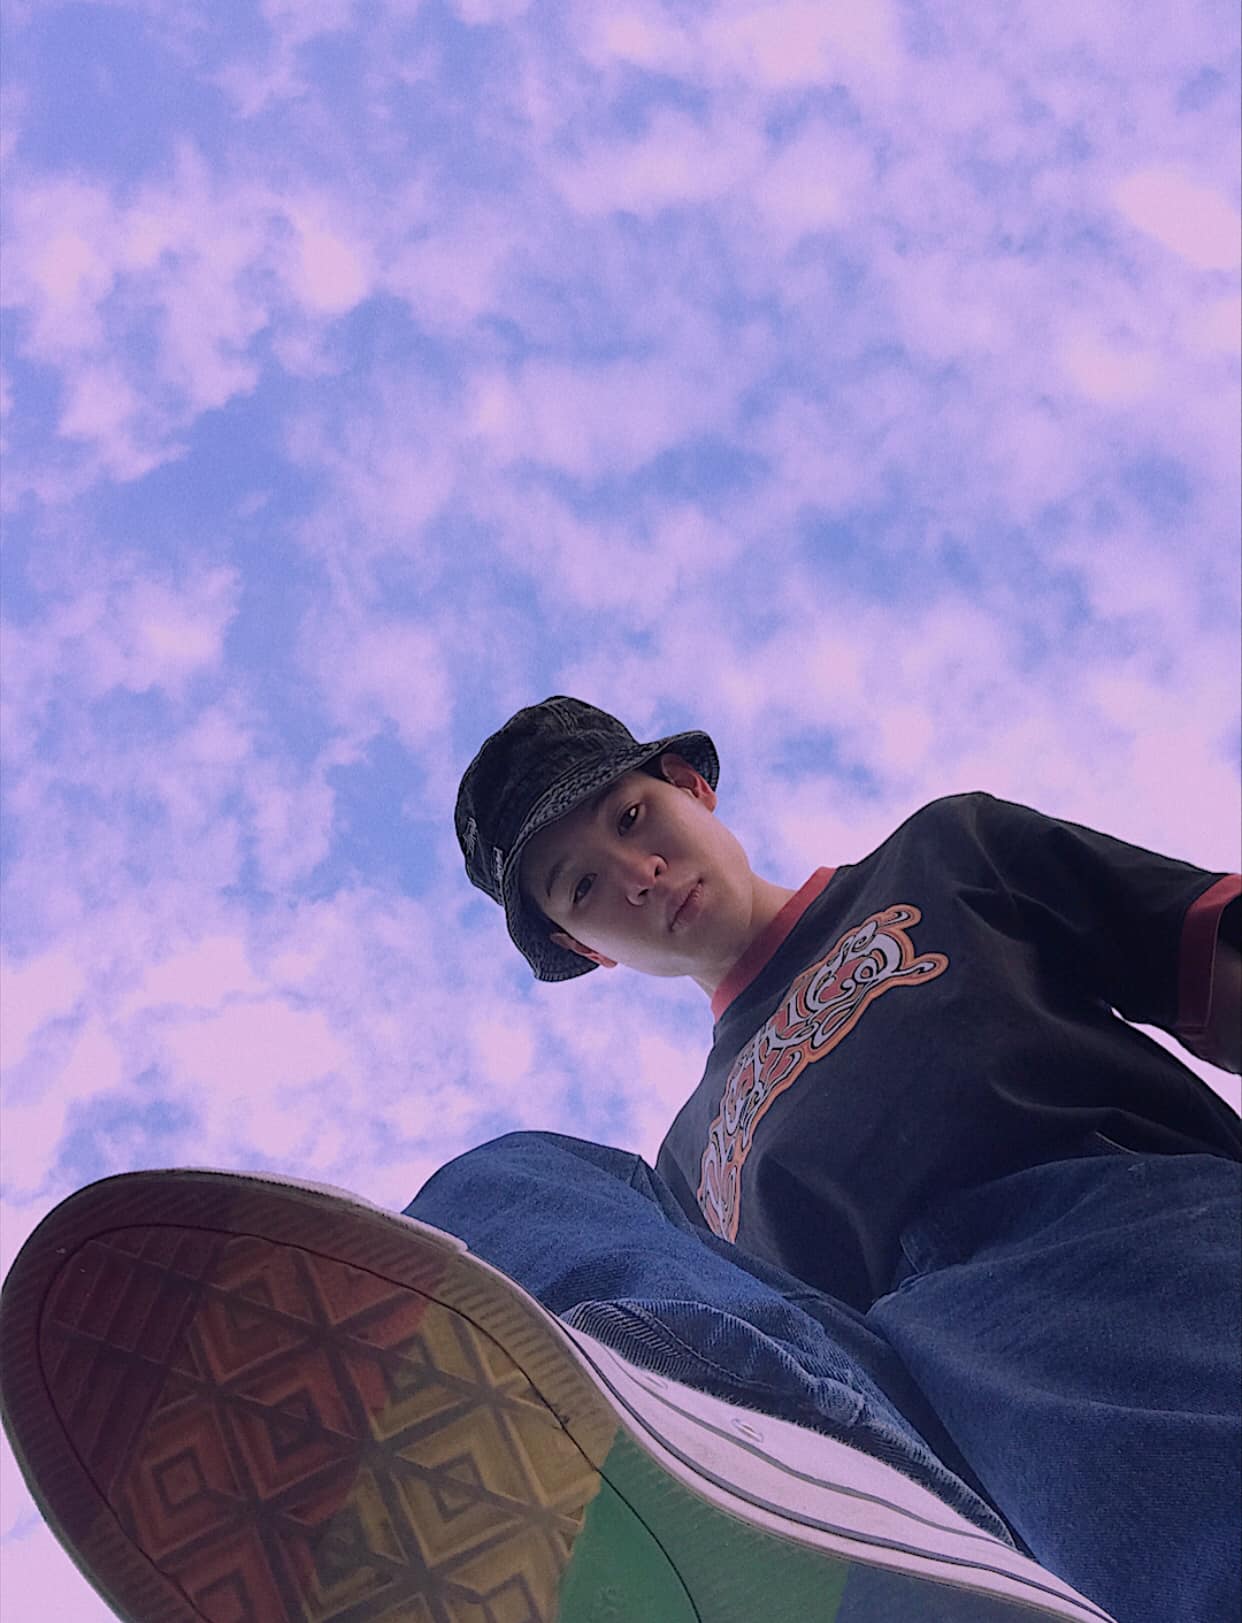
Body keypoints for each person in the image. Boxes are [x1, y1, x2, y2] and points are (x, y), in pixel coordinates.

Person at [2, 696, 1238, 1623]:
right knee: (510, 1189)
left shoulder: (943, 856)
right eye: (584, 887)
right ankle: (784, 1499)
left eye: (634, 820)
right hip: (907, 1416)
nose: (637, 878)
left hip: (1111, 1245)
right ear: (585, 948)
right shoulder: (685, 1165)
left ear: (691, 786)